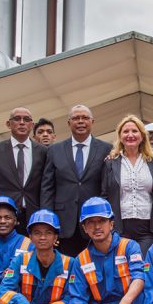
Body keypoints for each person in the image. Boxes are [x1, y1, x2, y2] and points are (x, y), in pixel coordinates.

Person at [40, 105, 113, 256]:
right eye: (76, 118)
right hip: (64, 222)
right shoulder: (55, 150)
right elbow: (47, 187)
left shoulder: (106, 149)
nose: (80, 121)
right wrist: (47, 220)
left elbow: (107, 186)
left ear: (92, 122)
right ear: (69, 123)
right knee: (66, 265)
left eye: (85, 118)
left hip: (94, 221)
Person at [102, 115, 153, 253]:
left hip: (148, 229)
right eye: (125, 131)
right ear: (120, 136)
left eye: (135, 131)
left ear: (142, 135)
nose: (130, 135)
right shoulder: (111, 162)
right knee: (122, 263)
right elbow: (105, 194)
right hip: (119, 228)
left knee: (144, 263)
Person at [0, 107, 48, 225]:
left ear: (32, 125)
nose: (22, 122)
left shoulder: (43, 151)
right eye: (17, 119)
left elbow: (46, 184)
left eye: (26, 119)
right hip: (4, 214)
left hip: (34, 214)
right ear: (8, 124)